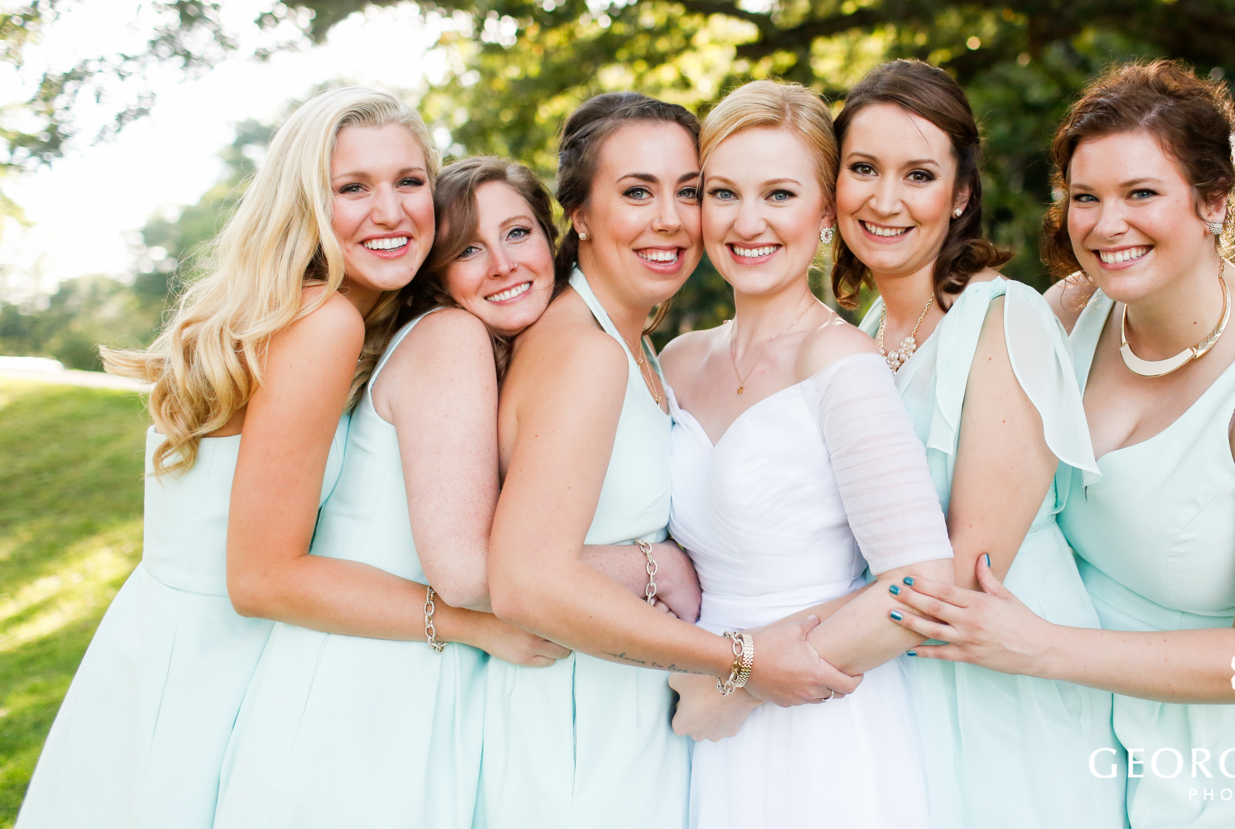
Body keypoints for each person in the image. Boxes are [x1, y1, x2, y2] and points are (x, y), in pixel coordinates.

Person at [886, 61, 1235, 828]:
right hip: (1093, 729)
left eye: (1140, 193)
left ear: (1214, 201)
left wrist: (1043, 646)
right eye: (1085, 198)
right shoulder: (1073, 312)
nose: (1105, 224)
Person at [215, 155, 700, 827]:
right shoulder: (451, 337)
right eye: (468, 249)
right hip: (369, 691)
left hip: (419, 674)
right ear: (436, 273)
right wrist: (655, 565)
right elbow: (471, 571)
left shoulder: (516, 351)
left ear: (551, 241)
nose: (501, 264)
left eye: (518, 233)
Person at [15, 86, 430, 828]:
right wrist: (467, 622)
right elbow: (262, 579)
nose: (392, 211)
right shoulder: (322, 321)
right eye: (353, 188)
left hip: (151, 647)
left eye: (410, 180)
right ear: (304, 203)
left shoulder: (280, 311)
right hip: (212, 673)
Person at [484, 92, 861, 828]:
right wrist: (737, 659)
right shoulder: (585, 352)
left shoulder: (637, 345)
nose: (668, 219)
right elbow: (526, 581)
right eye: (635, 192)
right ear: (581, 216)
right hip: (577, 725)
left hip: (631, 711)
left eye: (688, 192)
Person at [831, 59, 1123, 828]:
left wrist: (763, 663)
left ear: (960, 194)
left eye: (918, 174)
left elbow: (966, 573)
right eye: (862, 168)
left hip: (1002, 700)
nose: (884, 200)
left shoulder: (1003, 319)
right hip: (903, 681)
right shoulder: (863, 337)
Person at [660, 79, 954, 829]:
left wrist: (737, 682)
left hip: (817, 724)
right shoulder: (677, 359)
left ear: (825, 212)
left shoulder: (840, 364)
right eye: (723, 193)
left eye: (779, 195)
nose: (747, 221)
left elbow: (919, 587)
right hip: (696, 712)